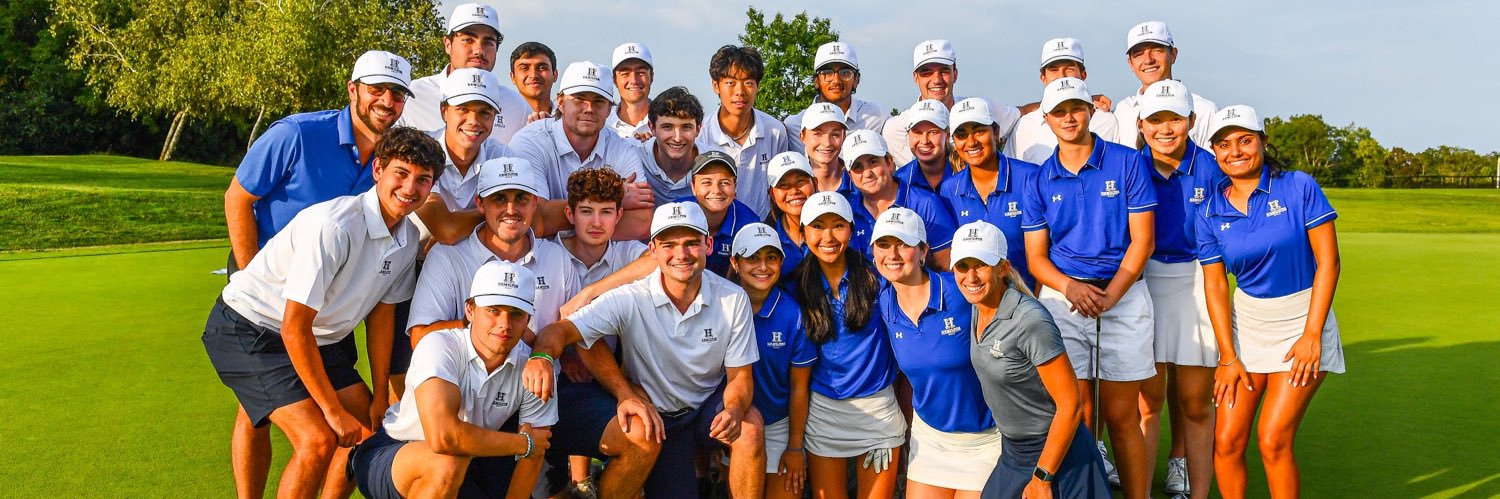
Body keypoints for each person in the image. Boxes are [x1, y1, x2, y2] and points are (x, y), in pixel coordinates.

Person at [203, 127, 441, 499]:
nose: (410, 188)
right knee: (317, 439)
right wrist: (331, 411)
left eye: (423, 179)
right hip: (249, 330)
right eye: (401, 173)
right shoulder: (335, 226)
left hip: (317, 338)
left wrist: (380, 394)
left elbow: (382, 316)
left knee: (369, 432)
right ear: (378, 170)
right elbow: (294, 326)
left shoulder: (408, 238)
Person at [219, 49, 412, 499]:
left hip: (327, 301)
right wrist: (252, 276)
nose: (387, 100)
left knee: (358, 426)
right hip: (268, 284)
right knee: (258, 410)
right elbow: (238, 198)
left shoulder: (393, 159)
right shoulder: (297, 134)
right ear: (353, 90)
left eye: (397, 93)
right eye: (377, 89)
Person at [523, 202, 766, 499]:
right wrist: (541, 357)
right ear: (653, 250)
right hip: (659, 419)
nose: (681, 254)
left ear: (709, 245)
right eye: (669, 245)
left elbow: (740, 376)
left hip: (707, 409)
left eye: (691, 243)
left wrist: (734, 409)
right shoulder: (631, 297)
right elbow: (561, 331)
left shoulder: (733, 298)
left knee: (749, 427)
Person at [1197, 105, 1345, 499]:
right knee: (1226, 441)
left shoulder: (1298, 186)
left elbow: (1329, 263)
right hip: (1247, 326)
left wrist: (1312, 335)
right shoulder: (1208, 210)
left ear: (1264, 142)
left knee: (1273, 438)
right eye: (1224, 144)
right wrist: (1227, 356)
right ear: (1215, 151)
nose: (1235, 151)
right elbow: (1216, 286)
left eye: (1245, 140)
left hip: (1302, 321)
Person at [1021, 77, 1157, 499]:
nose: (1069, 118)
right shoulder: (1040, 179)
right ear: (1046, 119)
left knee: (1121, 416)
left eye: (1076, 109)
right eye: (1059, 112)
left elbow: (1143, 241)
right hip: (1064, 299)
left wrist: (1111, 295)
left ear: (1090, 111)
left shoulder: (1127, 162)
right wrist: (1072, 289)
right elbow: (1036, 258)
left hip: (1123, 295)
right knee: (1075, 412)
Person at [350, 261, 556, 499]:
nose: (504, 324)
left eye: (516, 314)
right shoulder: (439, 345)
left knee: (454, 466)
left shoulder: (536, 368)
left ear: (528, 319)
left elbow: (534, 456)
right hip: (394, 450)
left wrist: (529, 446)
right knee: (447, 464)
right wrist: (524, 444)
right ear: (470, 310)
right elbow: (444, 438)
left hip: (469, 463)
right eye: (493, 310)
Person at [951, 221, 1110, 499]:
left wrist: (1042, 478)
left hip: (1058, 458)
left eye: (981, 264)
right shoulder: (977, 306)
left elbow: (1071, 405)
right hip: (1014, 453)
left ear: (1002, 268)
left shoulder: (1030, 320)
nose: (971, 277)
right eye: (963, 266)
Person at [870, 209, 999, 497]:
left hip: (986, 438)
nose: (892, 254)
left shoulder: (962, 291)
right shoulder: (883, 302)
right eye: (883, 245)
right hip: (930, 439)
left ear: (923, 251)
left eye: (903, 244)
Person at [1133, 80, 1222, 499]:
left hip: (1198, 282)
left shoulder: (1213, 168)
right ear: (1141, 124)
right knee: (1147, 404)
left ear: (1191, 120)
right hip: (1144, 282)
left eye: (1175, 119)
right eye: (1156, 120)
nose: (1165, 129)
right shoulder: (1130, 167)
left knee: (1195, 403)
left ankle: (1197, 492)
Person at [790, 192, 904, 498]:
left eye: (837, 225)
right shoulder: (795, 285)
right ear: (803, 232)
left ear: (851, 230)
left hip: (878, 410)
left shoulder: (877, 278)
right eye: (818, 226)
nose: (828, 237)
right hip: (824, 413)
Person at [406, 156, 580, 348]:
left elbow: (578, 334)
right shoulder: (447, 257)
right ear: (480, 204)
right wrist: (494, 326)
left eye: (521, 198)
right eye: (499, 199)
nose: (511, 210)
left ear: (534, 203)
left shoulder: (558, 258)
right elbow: (420, 337)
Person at [551, 166, 650, 498]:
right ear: (570, 214)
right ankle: (575, 481)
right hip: (551, 374)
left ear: (619, 215)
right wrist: (566, 355)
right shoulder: (549, 252)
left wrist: (591, 291)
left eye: (606, 212)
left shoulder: (624, 252)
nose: (596, 222)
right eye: (586, 211)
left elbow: (656, 260)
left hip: (603, 371)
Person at [507, 61, 652, 239]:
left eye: (598, 101)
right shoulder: (530, 142)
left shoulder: (622, 149)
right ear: (561, 102)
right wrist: (612, 197)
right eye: (579, 99)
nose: (589, 109)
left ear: (609, 109)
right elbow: (536, 219)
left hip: (589, 249)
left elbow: (641, 222)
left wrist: (568, 232)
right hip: (544, 251)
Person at [728, 223, 818, 499]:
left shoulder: (793, 314)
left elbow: (799, 387)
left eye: (771, 257)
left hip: (780, 425)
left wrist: (794, 447)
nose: (763, 267)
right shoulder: (721, 304)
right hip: (737, 424)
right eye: (753, 258)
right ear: (735, 262)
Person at [941, 97, 1042, 290]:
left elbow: (1050, 248)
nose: (971, 142)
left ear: (995, 132)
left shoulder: (1030, 177)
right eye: (961, 135)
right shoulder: (949, 190)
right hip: (977, 298)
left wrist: (1037, 300)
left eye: (979, 131)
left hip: (1031, 297)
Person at [412, 67, 517, 246]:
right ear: (444, 111)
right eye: (463, 109)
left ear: (495, 115)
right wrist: (493, 212)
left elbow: (523, 214)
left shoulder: (501, 156)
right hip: (411, 259)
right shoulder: (419, 150)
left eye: (484, 112)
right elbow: (447, 231)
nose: (473, 121)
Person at [397, 3, 529, 144]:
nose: (479, 50)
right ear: (448, 44)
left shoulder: (517, 106)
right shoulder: (413, 95)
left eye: (488, 42)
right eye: (468, 40)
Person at [696, 44, 798, 218]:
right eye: (730, 83)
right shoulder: (700, 134)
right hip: (712, 225)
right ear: (716, 86)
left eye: (748, 83)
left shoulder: (774, 131)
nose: (740, 92)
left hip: (763, 225)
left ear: (758, 86)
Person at [883, 39, 1021, 167]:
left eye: (944, 71)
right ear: (915, 78)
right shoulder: (894, 129)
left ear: (955, 74)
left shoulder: (981, 109)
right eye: (927, 73)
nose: (937, 80)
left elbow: (1022, 113)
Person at [843, 130, 956, 268]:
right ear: (850, 175)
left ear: (889, 162)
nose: (867, 173)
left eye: (873, 162)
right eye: (857, 167)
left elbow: (947, 268)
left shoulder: (925, 204)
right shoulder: (846, 211)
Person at [1006, 38, 1121, 165]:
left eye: (1069, 69)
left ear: (1083, 75)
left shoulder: (1106, 121)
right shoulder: (1023, 127)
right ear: (1043, 78)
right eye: (1053, 70)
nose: (1061, 76)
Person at [1112, 21, 1219, 149]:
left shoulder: (1204, 110)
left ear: (1173, 54)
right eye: (1138, 54)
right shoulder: (1122, 110)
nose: (1148, 60)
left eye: (1156, 51)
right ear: (1130, 63)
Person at [677, 151, 760, 277]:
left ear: (735, 186)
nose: (716, 191)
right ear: (693, 187)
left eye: (725, 183)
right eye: (706, 182)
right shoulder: (676, 213)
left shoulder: (749, 224)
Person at [783, 42, 886, 134]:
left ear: (856, 79)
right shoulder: (794, 126)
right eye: (827, 73)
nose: (836, 80)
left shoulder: (876, 116)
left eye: (845, 73)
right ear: (816, 80)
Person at [639, 86, 706, 204]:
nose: (677, 138)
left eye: (686, 127)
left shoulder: (715, 163)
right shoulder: (633, 156)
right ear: (652, 127)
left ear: (698, 128)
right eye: (667, 127)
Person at [765, 151, 817, 281]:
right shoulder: (766, 237)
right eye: (783, 185)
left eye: (800, 182)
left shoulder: (836, 225)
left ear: (815, 183)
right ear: (772, 194)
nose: (794, 191)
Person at [893, 99, 954, 195]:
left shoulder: (967, 173)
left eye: (933, 132)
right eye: (917, 132)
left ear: (947, 135)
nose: (924, 141)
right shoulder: (899, 180)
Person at [798, 102, 855, 195]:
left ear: (844, 137)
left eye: (835, 134)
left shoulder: (859, 180)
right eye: (818, 134)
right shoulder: (794, 189)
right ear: (803, 137)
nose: (827, 143)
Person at [606, 42, 655, 140]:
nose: (634, 80)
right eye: (625, 73)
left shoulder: (668, 122)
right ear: (615, 80)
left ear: (651, 77)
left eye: (640, 73)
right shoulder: (602, 124)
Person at [510, 42, 559, 120]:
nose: (533, 75)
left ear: (555, 75)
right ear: (513, 77)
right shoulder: (499, 119)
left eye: (542, 68)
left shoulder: (568, 119)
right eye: (524, 68)